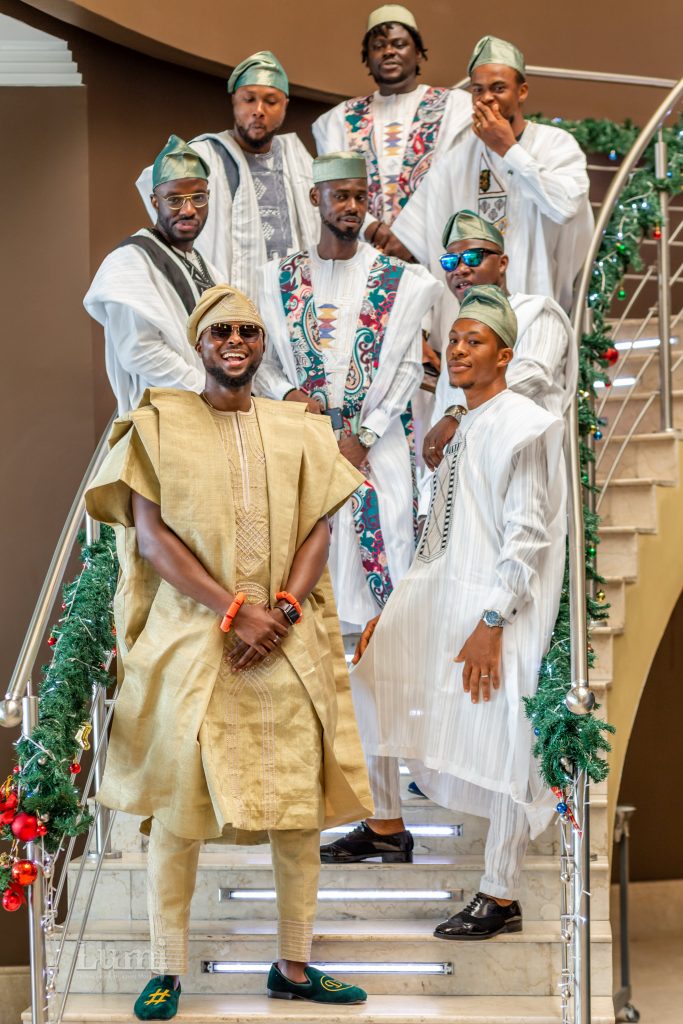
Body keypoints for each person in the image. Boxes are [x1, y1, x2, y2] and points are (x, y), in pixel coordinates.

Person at [85, 283, 374, 1018]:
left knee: (297, 811)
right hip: (194, 642)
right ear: (199, 345)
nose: (235, 342)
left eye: (247, 331)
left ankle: (294, 964)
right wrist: (234, 612)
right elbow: (152, 540)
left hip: (284, 640)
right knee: (178, 811)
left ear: (261, 343)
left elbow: (319, 529)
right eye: (221, 333)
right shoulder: (156, 423)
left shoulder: (298, 429)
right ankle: (166, 968)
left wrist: (281, 611)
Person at [323, 285, 566, 944]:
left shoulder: (522, 425)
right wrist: (397, 611)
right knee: (370, 681)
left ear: (504, 355)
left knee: (509, 742)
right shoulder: (463, 426)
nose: (457, 350)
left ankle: (500, 893)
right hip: (441, 595)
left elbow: (527, 534)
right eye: (454, 339)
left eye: (473, 341)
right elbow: (437, 534)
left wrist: (492, 623)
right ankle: (385, 824)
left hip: (495, 611)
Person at [257, 151, 441, 647]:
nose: (352, 207)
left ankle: (383, 651)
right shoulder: (276, 278)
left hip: (377, 443)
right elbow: (263, 362)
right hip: (302, 442)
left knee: (389, 531)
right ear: (315, 198)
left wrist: (366, 435)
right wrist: (287, 392)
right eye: (340, 196)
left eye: (360, 197)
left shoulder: (400, 280)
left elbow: (408, 369)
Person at [390, 35, 593, 341]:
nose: (487, 99)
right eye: (478, 90)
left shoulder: (555, 144)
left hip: (535, 307)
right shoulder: (454, 161)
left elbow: (565, 207)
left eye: (498, 88)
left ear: (522, 91)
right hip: (469, 325)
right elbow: (413, 243)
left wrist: (509, 149)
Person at [136, 51, 318, 299]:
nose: (259, 110)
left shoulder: (296, 156)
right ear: (235, 101)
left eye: (271, 101)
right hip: (232, 300)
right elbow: (156, 184)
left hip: (293, 298)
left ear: (285, 105)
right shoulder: (206, 155)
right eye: (249, 99)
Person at [422, 208, 576, 474]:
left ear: (502, 263)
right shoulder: (458, 337)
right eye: (450, 262)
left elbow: (533, 376)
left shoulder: (537, 312)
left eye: (472, 257)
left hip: (524, 468)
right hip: (464, 479)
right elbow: (441, 412)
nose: (460, 269)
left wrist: (459, 415)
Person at [312, 5, 470, 246]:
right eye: (378, 46)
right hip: (365, 247)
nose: (388, 52)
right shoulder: (339, 119)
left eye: (399, 44)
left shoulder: (455, 108)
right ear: (367, 59)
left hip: (434, 246)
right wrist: (373, 230)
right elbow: (333, 188)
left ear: (418, 53)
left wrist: (412, 240)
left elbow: (459, 181)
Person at [85, 136, 219, 415]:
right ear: (155, 202)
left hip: (211, 411)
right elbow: (140, 351)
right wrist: (207, 391)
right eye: (174, 199)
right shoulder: (130, 261)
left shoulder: (206, 266)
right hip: (161, 417)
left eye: (198, 197)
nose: (188, 210)